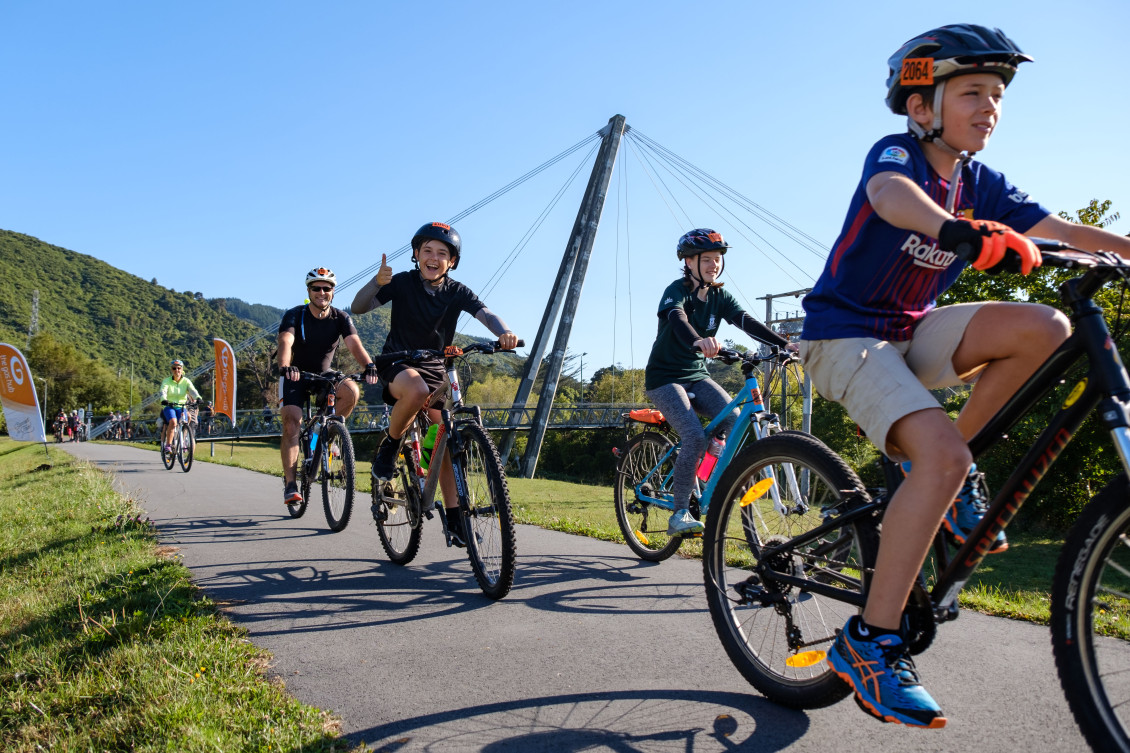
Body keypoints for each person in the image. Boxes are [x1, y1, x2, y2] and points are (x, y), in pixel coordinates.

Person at [799, 24, 1130, 728]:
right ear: (922, 108)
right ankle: (869, 640)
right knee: (939, 458)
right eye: (973, 91)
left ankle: (954, 480)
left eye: (999, 95)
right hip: (843, 335)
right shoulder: (901, 155)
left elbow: (1064, 230)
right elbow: (890, 196)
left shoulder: (981, 181)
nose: (991, 107)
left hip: (908, 332)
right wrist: (960, 233)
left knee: (1047, 329)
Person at [352, 222, 520, 545]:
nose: (434, 257)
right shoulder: (401, 283)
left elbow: (486, 314)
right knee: (416, 391)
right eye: (427, 250)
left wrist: (503, 333)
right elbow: (359, 307)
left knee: (443, 433)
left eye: (442, 253)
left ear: (452, 262)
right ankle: (390, 445)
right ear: (416, 254)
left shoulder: (457, 291)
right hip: (398, 361)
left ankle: (456, 517)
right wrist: (376, 282)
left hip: (434, 365)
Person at [644, 229, 794, 536]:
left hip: (696, 376)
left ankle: (701, 475)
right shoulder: (677, 291)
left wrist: (784, 345)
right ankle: (680, 512)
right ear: (688, 261)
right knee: (694, 436)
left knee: (733, 419)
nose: (714, 265)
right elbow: (677, 319)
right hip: (664, 378)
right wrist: (699, 341)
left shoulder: (719, 296)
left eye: (718, 259)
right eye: (707, 259)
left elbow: (745, 321)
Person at [277, 267, 379, 504]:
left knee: (351, 391)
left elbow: (354, 344)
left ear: (333, 292)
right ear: (309, 291)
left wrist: (369, 365)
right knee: (292, 422)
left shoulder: (340, 317)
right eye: (316, 288)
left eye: (327, 288)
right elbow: (286, 341)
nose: (322, 292)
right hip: (296, 374)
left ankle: (326, 434)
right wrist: (285, 366)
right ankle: (291, 484)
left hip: (324, 374)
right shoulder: (295, 314)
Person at [159, 360, 202, 453]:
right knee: (173, 422)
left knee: (188, 418)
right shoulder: (166, 381)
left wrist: (198, 397)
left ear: (182, 369)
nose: (177, 370)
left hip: (181, 406)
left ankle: (183, 439)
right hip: (169, 406)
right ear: (171, 370)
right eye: (174, 368)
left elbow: (192, 390)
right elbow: (163, 391)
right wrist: (163, 399)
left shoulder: (186, 381)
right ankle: (168, 446)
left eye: (179, 368)